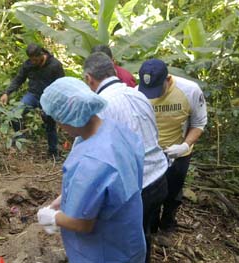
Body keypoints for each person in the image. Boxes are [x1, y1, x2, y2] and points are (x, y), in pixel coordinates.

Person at [37, 77, 146, 263]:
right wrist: (68, 197)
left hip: (104, 252)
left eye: (58, 120)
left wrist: (53, 218)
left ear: (66, 118)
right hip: (129, 240)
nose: (60, 127)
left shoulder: (92, 161)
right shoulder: (116, 130)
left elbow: (82, 224)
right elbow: (110, 185)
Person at [83, 52, 168, 262]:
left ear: (88, 79)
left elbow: (95, 158)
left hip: (139, 185)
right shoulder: (138, 94)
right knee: (143, 234)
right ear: (113, 69)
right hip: (160, 176)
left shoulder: (100, 106)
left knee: (125, 242)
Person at [138, 59, 207, 232]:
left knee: (173, 192)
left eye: (156, 90)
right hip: (151, 155)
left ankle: (168, 223)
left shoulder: (190, 91)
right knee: (151, 193)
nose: (152, 95)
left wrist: (184, 146)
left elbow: (199, 123)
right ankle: (151, 228)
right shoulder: (137, 93)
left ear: (167, 79)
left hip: (179, 153)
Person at [0, 43, 65, 157]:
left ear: (41, 55)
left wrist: (57, 103)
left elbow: (62, 85)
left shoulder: (55, 65)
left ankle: (53, 153)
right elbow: (19, 79)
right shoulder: (28, 65)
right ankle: (21, 144)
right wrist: (7, 93)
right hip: (33, 95)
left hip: (49, 98)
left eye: (35, 60)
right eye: (31, 60)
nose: (33, 62)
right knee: (15, 115)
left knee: (49, 123)